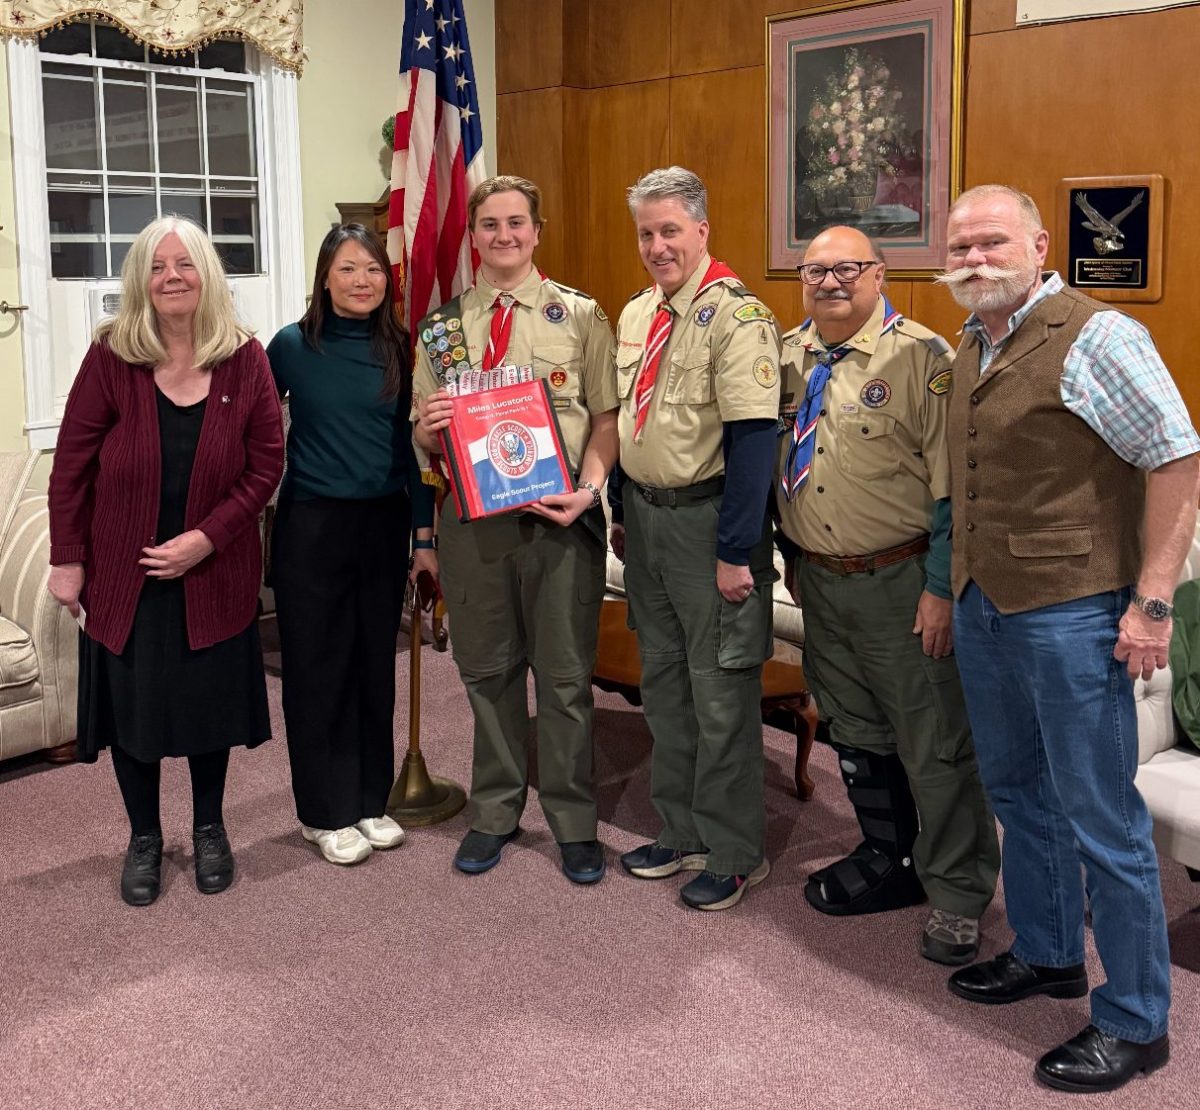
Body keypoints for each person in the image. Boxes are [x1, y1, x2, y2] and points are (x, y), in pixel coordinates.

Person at [939, 183, 1200, 1093]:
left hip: (1076, 610)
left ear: (1041, 245)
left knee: (1100, 815)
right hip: (985, 603)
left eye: (992, 242)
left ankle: (1136, 1022)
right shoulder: (973, 343)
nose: (974, 259)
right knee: (1018, 791)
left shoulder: (1101, 335)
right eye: (960, 245)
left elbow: (1175, 454)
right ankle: (1049, 953)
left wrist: (1153, 601)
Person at [773, 225, 999, 963]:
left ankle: (961, 893)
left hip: (903, 582)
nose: (830, 281)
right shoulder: (787, 355)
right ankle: (888, 858)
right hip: (822, 581)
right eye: (815, 270)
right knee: (856, 729)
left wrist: (940, 590)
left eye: (848, 268)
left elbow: (955, 493)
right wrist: (793, 555)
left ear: (880, 275)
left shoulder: (922, 360)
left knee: (933, 743)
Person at [47, 215, 284, 907]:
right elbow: (71, 466)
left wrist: (207, 537)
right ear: (141, 281)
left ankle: (210, 827)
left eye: (184, 264)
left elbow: (265, 465)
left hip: (214, 570)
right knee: (135, 714)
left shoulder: (245, 358)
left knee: (209, 710)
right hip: (128, 577)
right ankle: (144, 836)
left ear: (206, 274)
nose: (172, 276)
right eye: (157, 266)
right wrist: (68, 559)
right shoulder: (111, 357)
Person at [413, 176, 618, 883]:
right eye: (490, 225)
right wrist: (429, 429)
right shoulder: (440, 329)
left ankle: (572, 821)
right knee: (488, 673)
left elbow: (605, 421)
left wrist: (590, 492)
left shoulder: (581, 316)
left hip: (558, 524)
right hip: (474, 528)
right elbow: (422, 431)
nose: (503, 236)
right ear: (473, 236)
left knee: (563, 680)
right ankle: (495, 812)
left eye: (517, 223)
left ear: (537, 231)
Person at [610, 166, 779, 912]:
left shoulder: (740, 319)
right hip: (646, 524)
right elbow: (630, 422)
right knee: (666, 691)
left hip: (710, 527)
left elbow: (753, 444)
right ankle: (680, 831)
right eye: (646, 232)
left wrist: (736, 552)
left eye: (669, 230)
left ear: (702, 230)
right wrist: (620, 508)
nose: (656, 245)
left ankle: (736, 850)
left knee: (719, 697)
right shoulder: (638, 312)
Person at [267, 224, 436, 866]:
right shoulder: (290, 346)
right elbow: (249, 423)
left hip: (383, 522)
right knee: (317, 667)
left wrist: (424, 537)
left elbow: (415, 452)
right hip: (311, 523)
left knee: (373, 662)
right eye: (347, 269)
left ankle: (368, 799)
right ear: (325, 277)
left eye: (373, 269)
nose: (362, 281)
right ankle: (322, 810)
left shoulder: (402, 346)